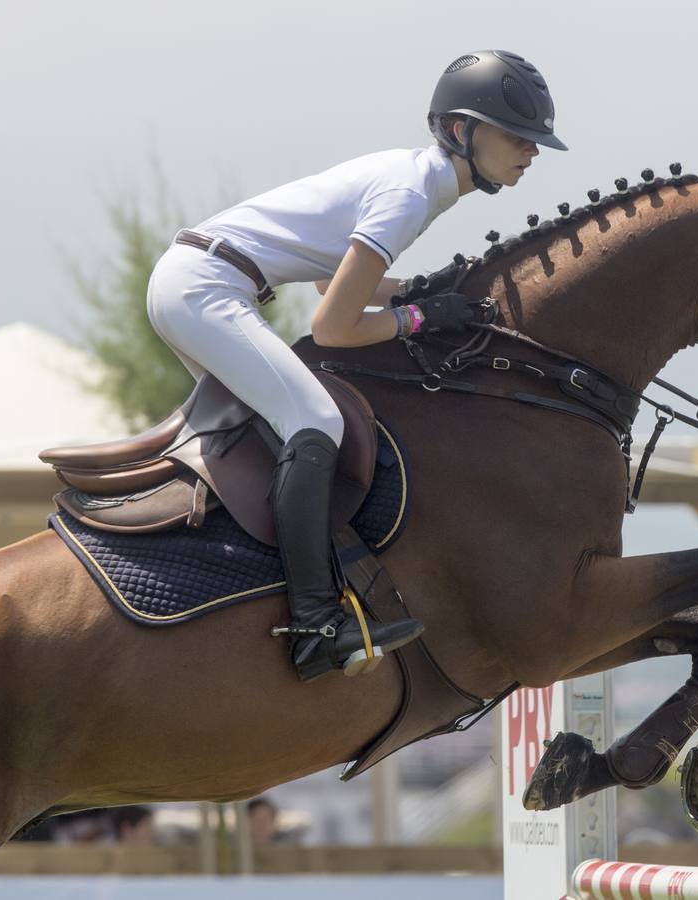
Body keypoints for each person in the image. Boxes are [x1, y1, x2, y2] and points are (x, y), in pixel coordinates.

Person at [146, 50, 567, 682]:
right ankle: (316, 624)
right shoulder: (411, 193)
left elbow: (328, 288)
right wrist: (420, 318)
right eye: (517, 134)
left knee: (267, 435)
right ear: (460, 131)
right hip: (206, 289)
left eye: (535, 139)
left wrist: (415, 292)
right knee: (316, 418)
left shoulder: (413, 176)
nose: (531, 150)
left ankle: (262, 585)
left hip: (198, 281)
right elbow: (334, 328)